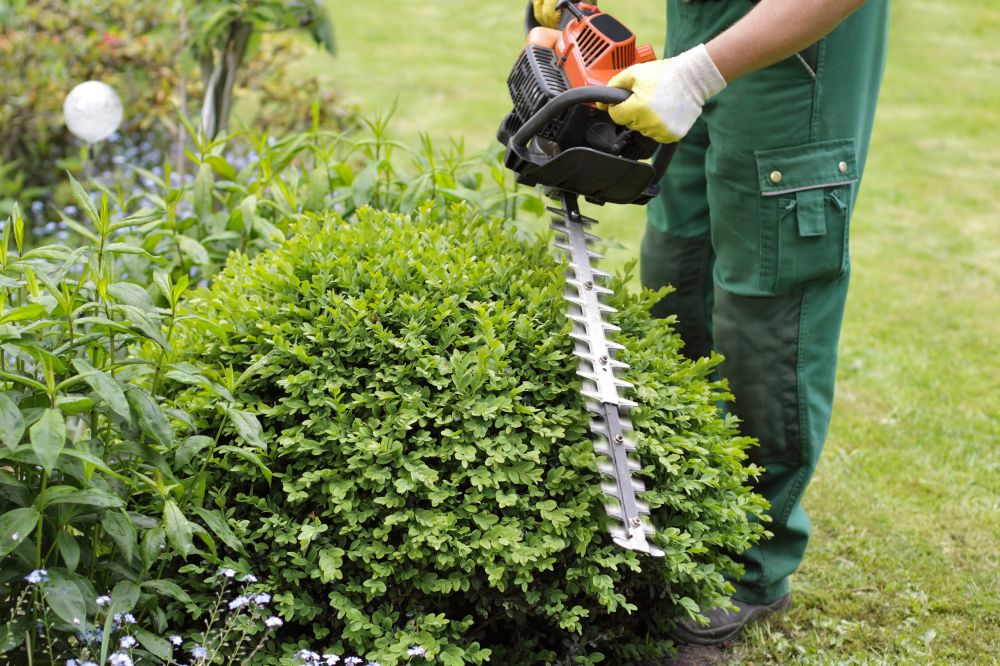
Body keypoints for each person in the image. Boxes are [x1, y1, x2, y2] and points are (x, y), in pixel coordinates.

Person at [534, 0, 890, 647]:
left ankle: (752, 562)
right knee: (677, 268)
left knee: (766, 302)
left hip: (799, 48)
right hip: (700, 22)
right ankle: (683, 510)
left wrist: (699, 74)